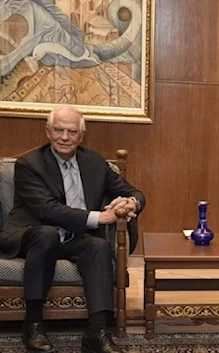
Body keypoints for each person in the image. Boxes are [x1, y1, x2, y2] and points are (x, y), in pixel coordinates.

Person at [0, 105, 145, 353]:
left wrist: (131, 201)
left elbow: (132, 191)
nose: (64, 137)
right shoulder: (29, 164)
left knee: (98, 246)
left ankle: (97, 332)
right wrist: (100, 217)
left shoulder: (95, 162)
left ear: (81, 135)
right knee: (46, 235)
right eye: (58, 130)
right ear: (48, 131)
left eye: (71, 131)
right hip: (32, 234)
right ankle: (33, 324)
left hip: (73, 237)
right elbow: (47, 210)